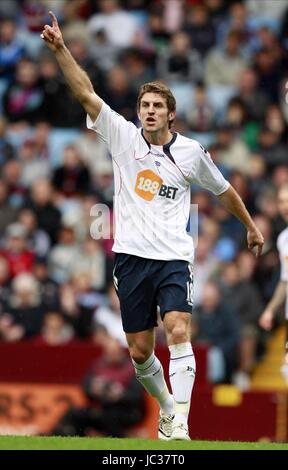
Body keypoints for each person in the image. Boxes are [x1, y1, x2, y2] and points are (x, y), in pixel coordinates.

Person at [41, 11, 264, 441]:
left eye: (157, 106)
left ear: (171, 115)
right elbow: (86, 93)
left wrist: (252, 227)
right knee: (140, 352)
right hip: (130, 259)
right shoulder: (122, 137)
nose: (148, 111)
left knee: (179, 327)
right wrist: (61, 49)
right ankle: (166, 408)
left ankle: (179, 420)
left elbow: (225, 191)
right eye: (144, 105)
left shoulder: (192, 153)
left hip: (174, 258)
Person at [259, 185, 288, 382]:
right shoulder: (283, 239)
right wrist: (270, 310)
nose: (284, 206)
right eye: (281, 201)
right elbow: (285, 280)